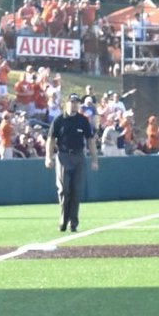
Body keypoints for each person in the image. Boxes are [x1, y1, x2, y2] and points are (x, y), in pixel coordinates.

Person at [46, 94, 98, 232]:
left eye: (77, 103)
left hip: (79, 156)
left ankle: (73, 222)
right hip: (63, 156)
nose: (74, 105)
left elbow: (90, 140)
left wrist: (94, 160)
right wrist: (48, 157)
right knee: (64, 189)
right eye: (72, 102)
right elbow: (50, 140)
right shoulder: (59, 120)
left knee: (76, 191)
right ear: (66, 103)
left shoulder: (83, 120)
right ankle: (63, 220)